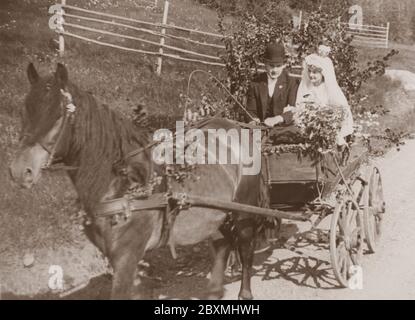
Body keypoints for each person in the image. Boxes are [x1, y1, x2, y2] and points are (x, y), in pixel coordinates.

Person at [294, 45, 354, 145]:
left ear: (323, 73)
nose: (311, 75)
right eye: (309, 71)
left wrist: (327, 120)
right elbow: (299, 107)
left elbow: (341, 110)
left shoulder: (329, 89)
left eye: (315, 72)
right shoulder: (306, 88)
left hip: (327, 127)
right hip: (308, 127)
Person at [246, 42, 300, 127]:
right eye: (271, 65)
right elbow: (250, 109)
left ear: (284, 65)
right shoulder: (256, 82)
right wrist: (253, 119)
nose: (274, 70)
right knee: (246, 137)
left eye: (278, 66)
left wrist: (278, 119)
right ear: (265, 64)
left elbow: (293, 110)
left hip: (282, 130)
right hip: (260, 128)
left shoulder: (292, 83)